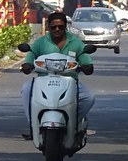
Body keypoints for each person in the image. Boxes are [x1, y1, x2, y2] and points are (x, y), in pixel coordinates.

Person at [19, 11, 95, 139]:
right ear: (48, 27)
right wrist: (27, 65)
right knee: (26, 90)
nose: (57, 30)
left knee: (89, 97)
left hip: (70, 81)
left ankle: (73, 123)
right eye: (53, 27)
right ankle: (34, 126)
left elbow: (86, 61)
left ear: (66, 27)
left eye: (60, 27)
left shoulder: (76, 43)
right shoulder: (40, 43)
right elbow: (30, 57)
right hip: (43, 81)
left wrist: (86, 67)